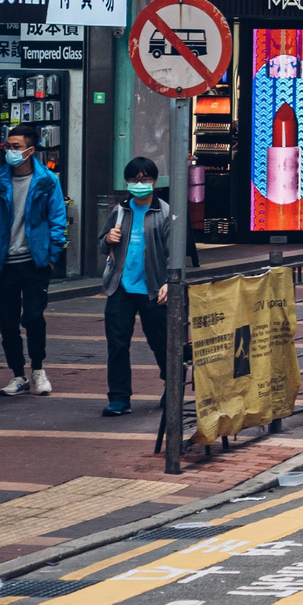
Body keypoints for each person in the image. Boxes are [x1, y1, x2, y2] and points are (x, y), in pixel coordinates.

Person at [0, 124, 65, 397]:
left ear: (31, 150)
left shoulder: (47, 181)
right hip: (4, 263)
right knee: (6, 320)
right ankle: (18, 375)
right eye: (8, 146)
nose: (10, 151)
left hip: (35, 263)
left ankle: (38, 370)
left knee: (33, 317)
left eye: (16, 146)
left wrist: (52, 256)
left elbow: (58, 220)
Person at [97, 158, 170, 418]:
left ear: (155, 181)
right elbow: (102, 245)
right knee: (117, 344)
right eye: (135, 180)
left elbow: (173, 254)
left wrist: (168, 284)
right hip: (121, 288)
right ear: (127, 182)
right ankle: (119, 398)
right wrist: (108, 239)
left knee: (160, 342)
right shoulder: (119, 211)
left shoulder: (164, 213)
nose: (140, 184)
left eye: (146, 179)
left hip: (153, 291)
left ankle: (172, 385)